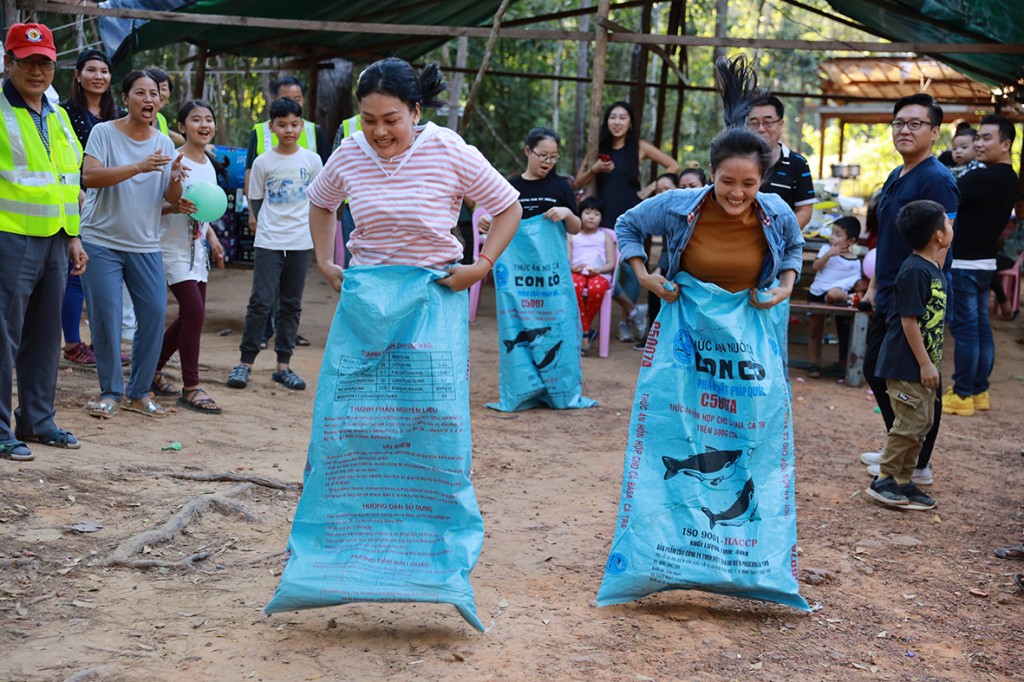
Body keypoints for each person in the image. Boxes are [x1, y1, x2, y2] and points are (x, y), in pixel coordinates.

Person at [616, 54, 803, 354]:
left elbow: (793, 245)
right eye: (727, 181)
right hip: (689, 333)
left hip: (749, 332)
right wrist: (643, 275)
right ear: (712, 172)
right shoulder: (678, 205)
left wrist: (786, 285)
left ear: (762, 179)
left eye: (749, 184)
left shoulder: (777, 210)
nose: (737, 194)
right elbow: (627, 224)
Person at [859, 93, 959, 485]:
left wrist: (920, 296)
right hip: (887, 290)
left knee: (918, 377)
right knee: (879, 370)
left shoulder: (937, 179)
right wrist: (872, 286)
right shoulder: (896, 174)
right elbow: (886, 236)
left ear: (934, 132)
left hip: (915, 293)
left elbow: (943, 243)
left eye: (915, 123)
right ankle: (899, 445)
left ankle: (918, 463)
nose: (904, 130)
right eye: (899, 123)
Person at [1, 23, 87, 461]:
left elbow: (68, 180)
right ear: (9, 62)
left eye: (44, 63)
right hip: (9, 237)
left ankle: (36, 420)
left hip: (54, 239)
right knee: (4, 335)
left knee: (44, 335)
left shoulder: (55, 114)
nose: (36, 70)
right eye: (27, 61)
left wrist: (73, 236)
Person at [79, 70, 186, 419]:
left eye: (154, 94)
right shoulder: (104, 133)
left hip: (145, 244)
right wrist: (139, 166)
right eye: (140, 93)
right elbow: (90, 177)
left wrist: (175, 182)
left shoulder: (166, 143)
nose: (149, 100)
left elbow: (168, 197)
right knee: (106, 319)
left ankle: (139, 393)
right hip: (101, 241)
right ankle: (110, 391)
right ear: (125, 98)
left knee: (154, 314)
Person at [226, 97, 323, 391]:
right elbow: (255, 199)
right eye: (282, 125)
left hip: (301, 241)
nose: (289, 130)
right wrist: (266, 223)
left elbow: (319, 200)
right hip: (269, 240)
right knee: (260, 302)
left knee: (291, 304)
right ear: (272, 127)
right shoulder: (263, 161)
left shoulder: (312, 160)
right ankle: (245, 362)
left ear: (302, 126)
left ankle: (284, 365)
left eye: (294, 124)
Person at [866, 200, 951, 510]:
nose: (951, 228)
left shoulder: (933, 269)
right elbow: (908, 320)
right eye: (948, 223)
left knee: (921, 425)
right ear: (939, 236)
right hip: (907, 365)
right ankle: (884, 478)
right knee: (907, 426)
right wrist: (926, 364)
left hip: (923, 366)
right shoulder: (915, 271)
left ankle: (902, 479)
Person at [942, 114, 1020, 417]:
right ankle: (978, 391)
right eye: (977, 138)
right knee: (980, 329)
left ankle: (962, 394)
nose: (978, 144)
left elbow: (943, 190)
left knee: (965, 331)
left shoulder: (980, 177)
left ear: (1006, 144)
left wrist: (950, 155)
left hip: (963, 263)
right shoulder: (1009, 178)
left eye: (986, 138)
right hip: (985, 262)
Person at [153, 100, 226, 414]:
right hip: (170, 247)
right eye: (196, 120)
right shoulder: (173, 161)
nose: (204, 125)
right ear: (181, 127)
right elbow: (151, 205)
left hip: (197, 250)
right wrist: (174, 205)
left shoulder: (209, 163)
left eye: (208, 119)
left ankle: (152, 371)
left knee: (188, 316)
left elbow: (205, 207)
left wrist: (213, 238)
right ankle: (192, 386)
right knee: (194, 313)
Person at [575, 101, 678, 320]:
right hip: (603, 214)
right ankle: (630, 312)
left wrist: (649, 189)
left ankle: (626, 322)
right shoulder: (598, 148)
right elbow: (577, 182)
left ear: (630, 122)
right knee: (602, 265)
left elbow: (673, 165)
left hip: (632, 215)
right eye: (613, 117)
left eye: (623, 117)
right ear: (606, 121)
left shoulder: (639, 147)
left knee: (631, 269)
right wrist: (595, 169)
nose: (617, 122)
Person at [59, 48, 121, 368]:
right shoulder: (63, 113)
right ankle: (72, 345)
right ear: (78, 75)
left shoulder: (118, 114)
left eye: (104, 71)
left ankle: (103, 344)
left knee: (105, 276)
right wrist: (80, 195)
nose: (99, 76)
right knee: (75, 274)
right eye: (91, 70)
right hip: (77, 201)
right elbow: (61, 161)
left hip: (114, 205)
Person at [747, 94, 816, 228]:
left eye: (768, 122)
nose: (761, 129)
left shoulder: (798, 164)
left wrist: (782, 237)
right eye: (754, 123)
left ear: (780, 124)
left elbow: (804, 210)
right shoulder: (735, 159)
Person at [806, 216, 863, 378]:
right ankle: (813, 364)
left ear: (851, 241)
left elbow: (857, 283)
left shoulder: (854, 262)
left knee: (843, 327)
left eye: (838, 235)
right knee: (816, 331)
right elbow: (816, 267)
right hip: (817, 294)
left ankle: (843, 362)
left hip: (838, 297)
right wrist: (829, 254)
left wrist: (860, 297)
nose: (832, 237)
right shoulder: (826, 250)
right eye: (832, 233)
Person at [568, 196, 616, 353]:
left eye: (596, 214)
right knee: (574, 287)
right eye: (587, 212)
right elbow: (566, 261)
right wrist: (573, 267)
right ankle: (587, 331)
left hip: (599, 273)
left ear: (601, 217)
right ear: (580, 214)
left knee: (596, 289)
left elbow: (611, 263)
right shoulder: (572, 235)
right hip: (577, 272)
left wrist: (600, 270)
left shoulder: (606, 237)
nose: (591, 217)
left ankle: (582, 331)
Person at [144, 67, 185, 146]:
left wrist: (199, 145)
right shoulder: (126, 115)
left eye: (163, 88)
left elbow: (170, 135)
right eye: (154, 88)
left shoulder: (160, 118)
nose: (159, 93)